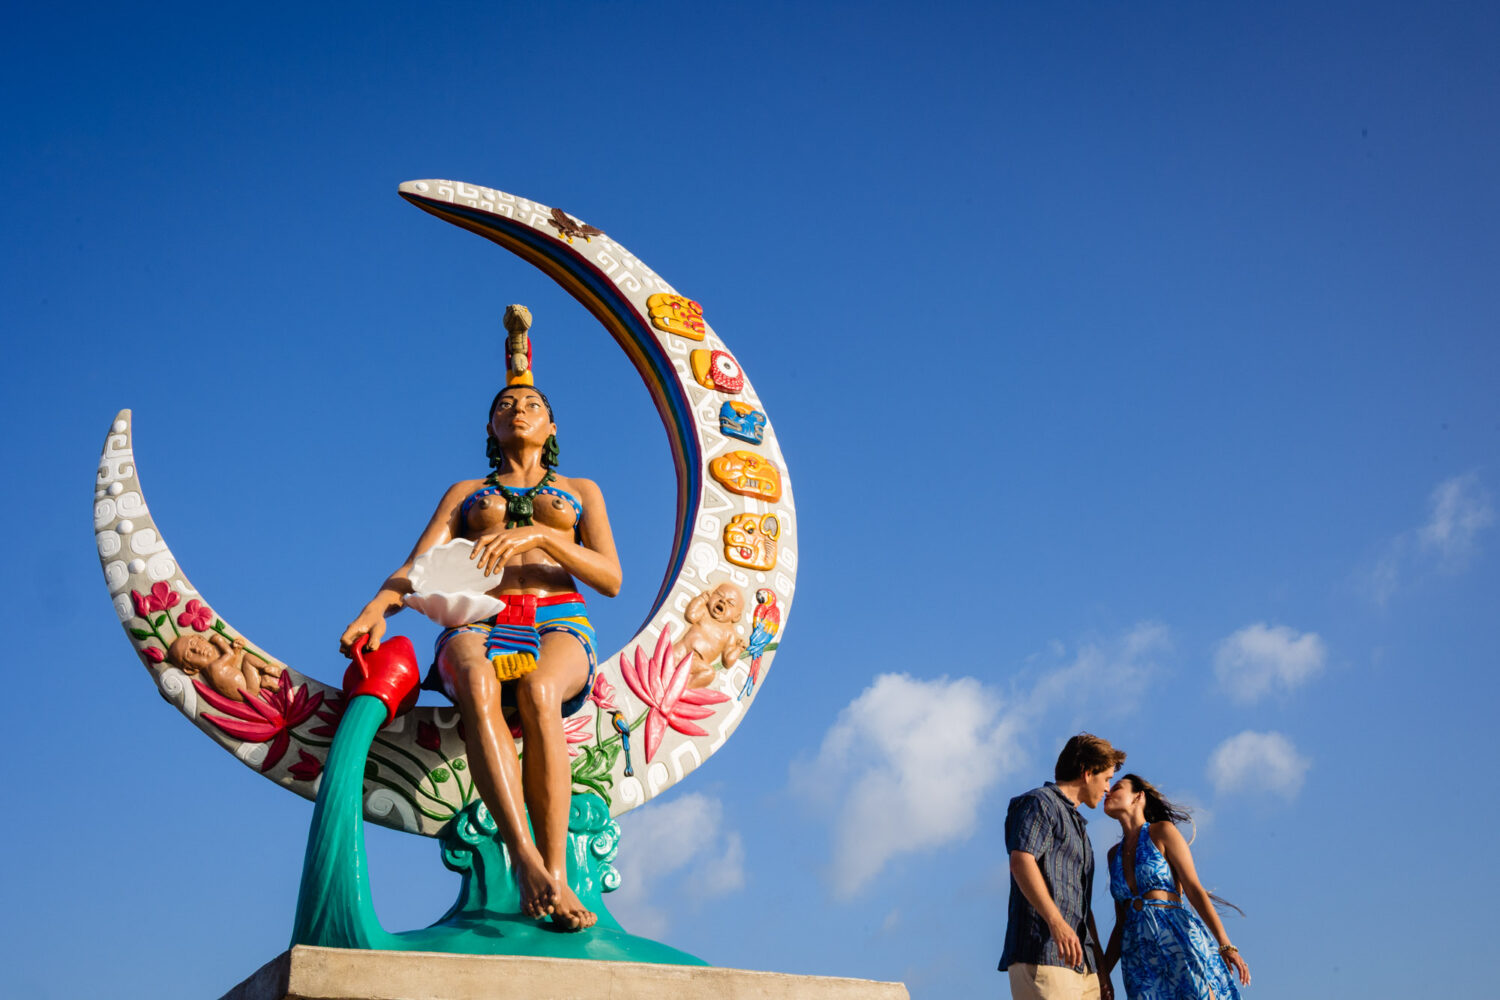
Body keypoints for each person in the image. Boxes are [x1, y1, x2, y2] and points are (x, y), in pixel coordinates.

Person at [339, 308, 620, 931]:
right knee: (473, 677)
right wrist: (376, 608)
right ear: (490, 427)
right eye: (505, 406)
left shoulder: (581, 491)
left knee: (540, 691)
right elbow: (418, 567)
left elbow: (610, 578)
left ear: (551, 426)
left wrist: (540, 539)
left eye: (531, 404)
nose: (518, 411)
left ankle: (557, 872)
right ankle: (525, 860)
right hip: (479, 621)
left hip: (557, 619)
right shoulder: (467, 492)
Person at [1000, 733, 1128, 1000]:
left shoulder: (1080, 828)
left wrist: (1100, 970)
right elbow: (1021, 861)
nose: (1108, 788)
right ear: (1087, 773)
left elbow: (1082, 907)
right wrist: (1056, 922)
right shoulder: (1039, 803)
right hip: (1043, 952)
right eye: (1106, 778)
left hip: (1083, 966)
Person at [1100, 774, 1251, 998]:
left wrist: (1225, 944)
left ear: (1138, 796)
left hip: (1176, 938)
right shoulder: (1113, 855)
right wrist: (1102, 974)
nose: (1107, 791)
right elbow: (1121, 923)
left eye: (1117, 787)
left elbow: (1194, 889)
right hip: (1139, 957)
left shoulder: (1162, 831)